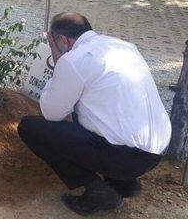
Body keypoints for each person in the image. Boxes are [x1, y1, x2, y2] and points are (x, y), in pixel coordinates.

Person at [17, 12, 171, 215]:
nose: (51, 46)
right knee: (88, 112)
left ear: (62, 40)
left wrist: (57, 64)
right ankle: (125, 183)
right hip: (156, 151)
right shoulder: (122, 45)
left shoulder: (73, 60)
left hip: (125, 157)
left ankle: (98, 191)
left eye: (51, 42)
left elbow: (51, 112)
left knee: (30, 128)